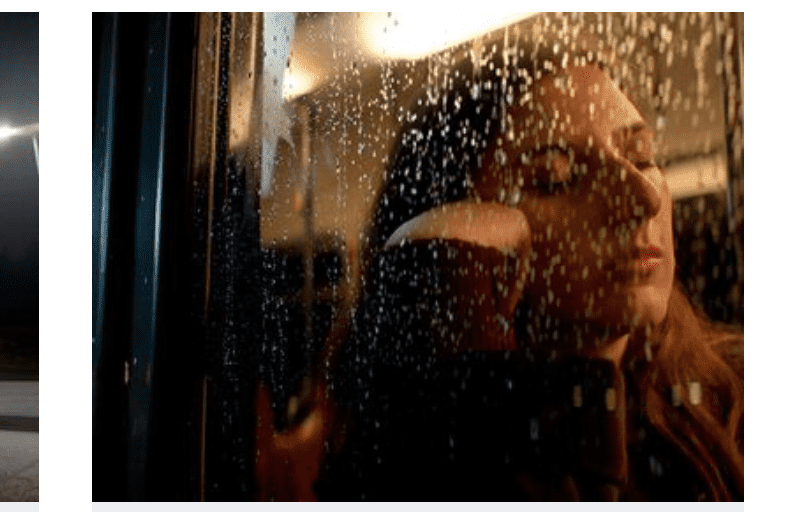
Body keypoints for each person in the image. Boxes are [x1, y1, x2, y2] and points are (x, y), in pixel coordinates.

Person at [299, 38, 744, 501]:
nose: (644, 198)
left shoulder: (743, 402)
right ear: (468, 223)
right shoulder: (413, 457)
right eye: (556, 175)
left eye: (642, 157)